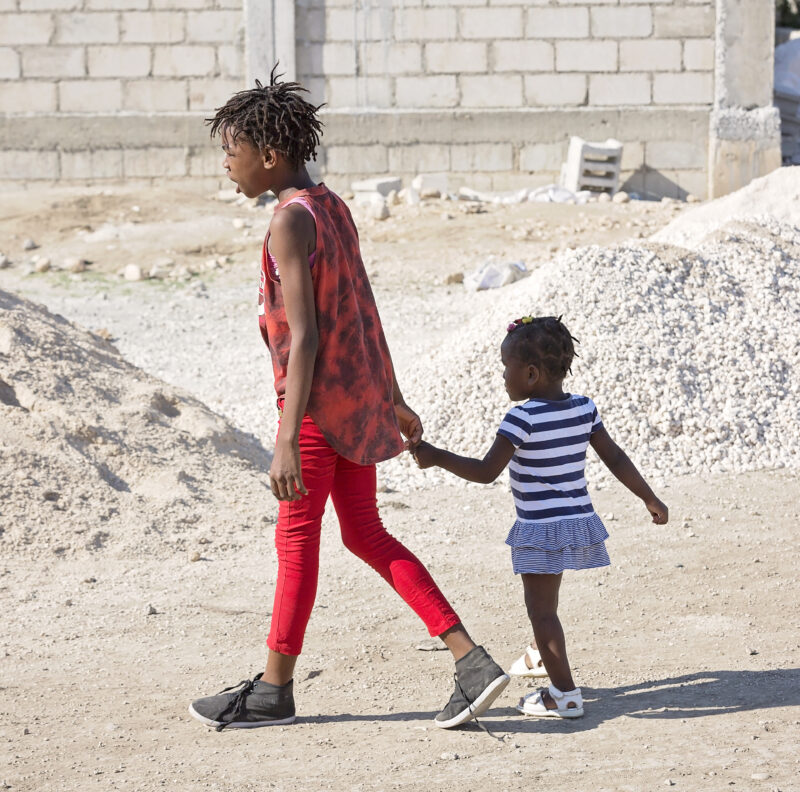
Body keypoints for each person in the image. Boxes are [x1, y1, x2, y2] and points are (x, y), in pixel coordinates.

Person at [188, 70, 509, 731]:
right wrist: (389, 395)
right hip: (356, 403)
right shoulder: (329, 205)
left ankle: (275, 691)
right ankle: (469, 659)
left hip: (315, 414)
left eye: (231, 152)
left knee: (297, 541)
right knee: (365, 533)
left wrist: (285, 438)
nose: (227, 166)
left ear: (269, 155)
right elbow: (362, 308)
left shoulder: (288, 223)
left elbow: (305, 338)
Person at [412, 315, 668, 719]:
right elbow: (615, 456)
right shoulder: (584, 408)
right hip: (576, 520)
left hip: (540, 529)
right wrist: (649, 498)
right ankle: (538, 654)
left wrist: (435, 456)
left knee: (542, 611)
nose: (502, 376)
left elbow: (485, 472)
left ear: (530, 374)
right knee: (547, 604)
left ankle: (564, 695)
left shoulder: (522, 418)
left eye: (506, 368)